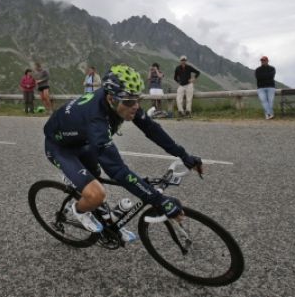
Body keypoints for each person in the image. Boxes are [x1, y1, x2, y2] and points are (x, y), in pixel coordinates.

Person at [43, 64, 203, 242]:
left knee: (95, 174)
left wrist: (184, 156)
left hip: (83, 141)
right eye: (129, 102)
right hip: (60, 148)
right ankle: (79, 210)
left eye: (138, 100)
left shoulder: (123, 99)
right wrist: (159, 200)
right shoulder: (96, 121)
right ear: (111, 98)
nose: (135, 106)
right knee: (96, 194)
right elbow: (118, 171)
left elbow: (152, 130)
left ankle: (100, 211)